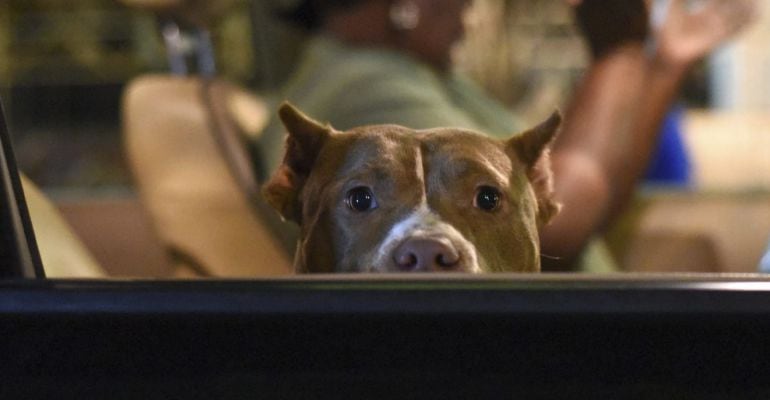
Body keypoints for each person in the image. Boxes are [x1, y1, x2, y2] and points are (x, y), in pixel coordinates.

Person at [255, 0, 755, 271]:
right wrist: (619, 46)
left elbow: (564, 196)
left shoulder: (418, 75)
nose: (470, 7)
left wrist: (663, 67)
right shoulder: (364, 88)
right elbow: (563, 224)